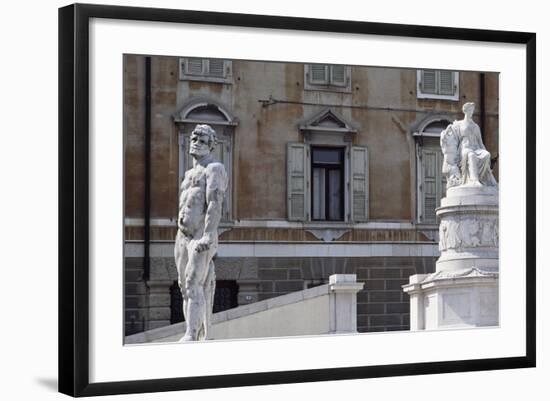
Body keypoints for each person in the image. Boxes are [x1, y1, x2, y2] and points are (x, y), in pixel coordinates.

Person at [174, 124, 227, 341]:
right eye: (194, 138)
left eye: (203, 140)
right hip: (182, 234)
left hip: (201, 235)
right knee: (183, 286)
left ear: (211, 146)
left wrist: (208, 234)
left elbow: (215, 203)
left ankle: (191, 334)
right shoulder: (188, 174)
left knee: (192, 282)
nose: (196, 142)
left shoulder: (214, 168)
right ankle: (195, 332)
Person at [450, 102, 497, 187]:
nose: (471, 112)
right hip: (465, 148)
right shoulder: (459, 124)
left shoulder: (476, 126)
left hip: (476, 148)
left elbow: (480, 142)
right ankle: (474, 180)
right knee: (471, 155)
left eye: (472, 110)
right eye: (470, 110)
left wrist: (484, 150)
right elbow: (453, 136)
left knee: (487, 155)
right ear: (465, 111)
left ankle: (482, 178)